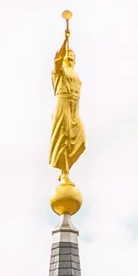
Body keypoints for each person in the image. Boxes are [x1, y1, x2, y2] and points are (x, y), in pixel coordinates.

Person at [49, 30, 86, 176]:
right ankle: (64, 172)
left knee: (81, 139)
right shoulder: (60, 71)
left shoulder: (74, 73)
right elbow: (57, 60)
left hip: (74, 105)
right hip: (63, 102)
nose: (70, 56)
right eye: (68, 54)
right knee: (63, 137)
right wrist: (65, 41)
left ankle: (66, 169)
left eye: (73, 55)